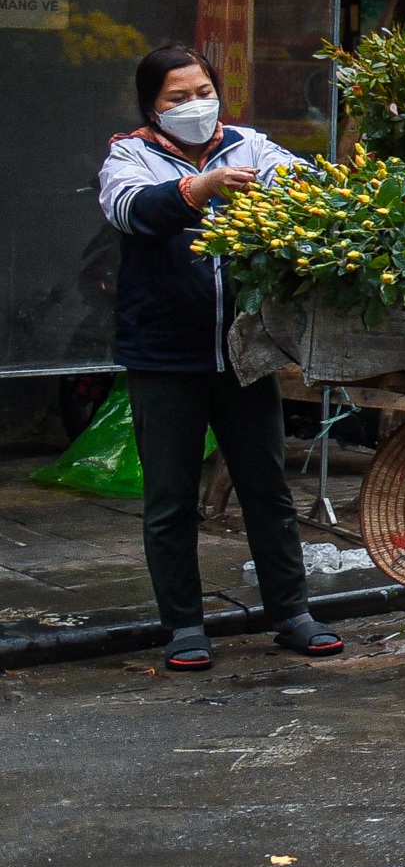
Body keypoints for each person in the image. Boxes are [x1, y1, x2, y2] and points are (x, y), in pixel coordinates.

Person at [97, 46, 342, 671]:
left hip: (244, 353)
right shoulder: (128, 155)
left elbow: (305, 183)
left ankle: (292, 613)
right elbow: (130, 210)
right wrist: (198, 189)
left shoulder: (247, 145)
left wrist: (305, 192)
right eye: (177, 97)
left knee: (267, 488)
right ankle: (184, 625)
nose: (195, 105)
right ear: (151, 106)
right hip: (163, 356)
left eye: (203, 91)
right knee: (170, 499)